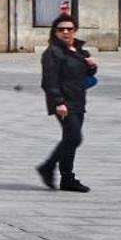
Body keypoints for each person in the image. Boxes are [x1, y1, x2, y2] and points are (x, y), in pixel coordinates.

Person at [38, 13, 95, 192]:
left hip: (78, 100)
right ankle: (48, 167)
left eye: (69, 29)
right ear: (55, 32)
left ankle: (67, 179)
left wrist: (92, 66)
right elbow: (49, 81)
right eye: (61, 29)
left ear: (75, 31)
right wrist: (58, 102)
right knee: (74, 137)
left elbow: (84, 75)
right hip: (63, 103)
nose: (65, 32)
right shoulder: (52, 53)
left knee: (70, 139)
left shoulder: (79, 50)